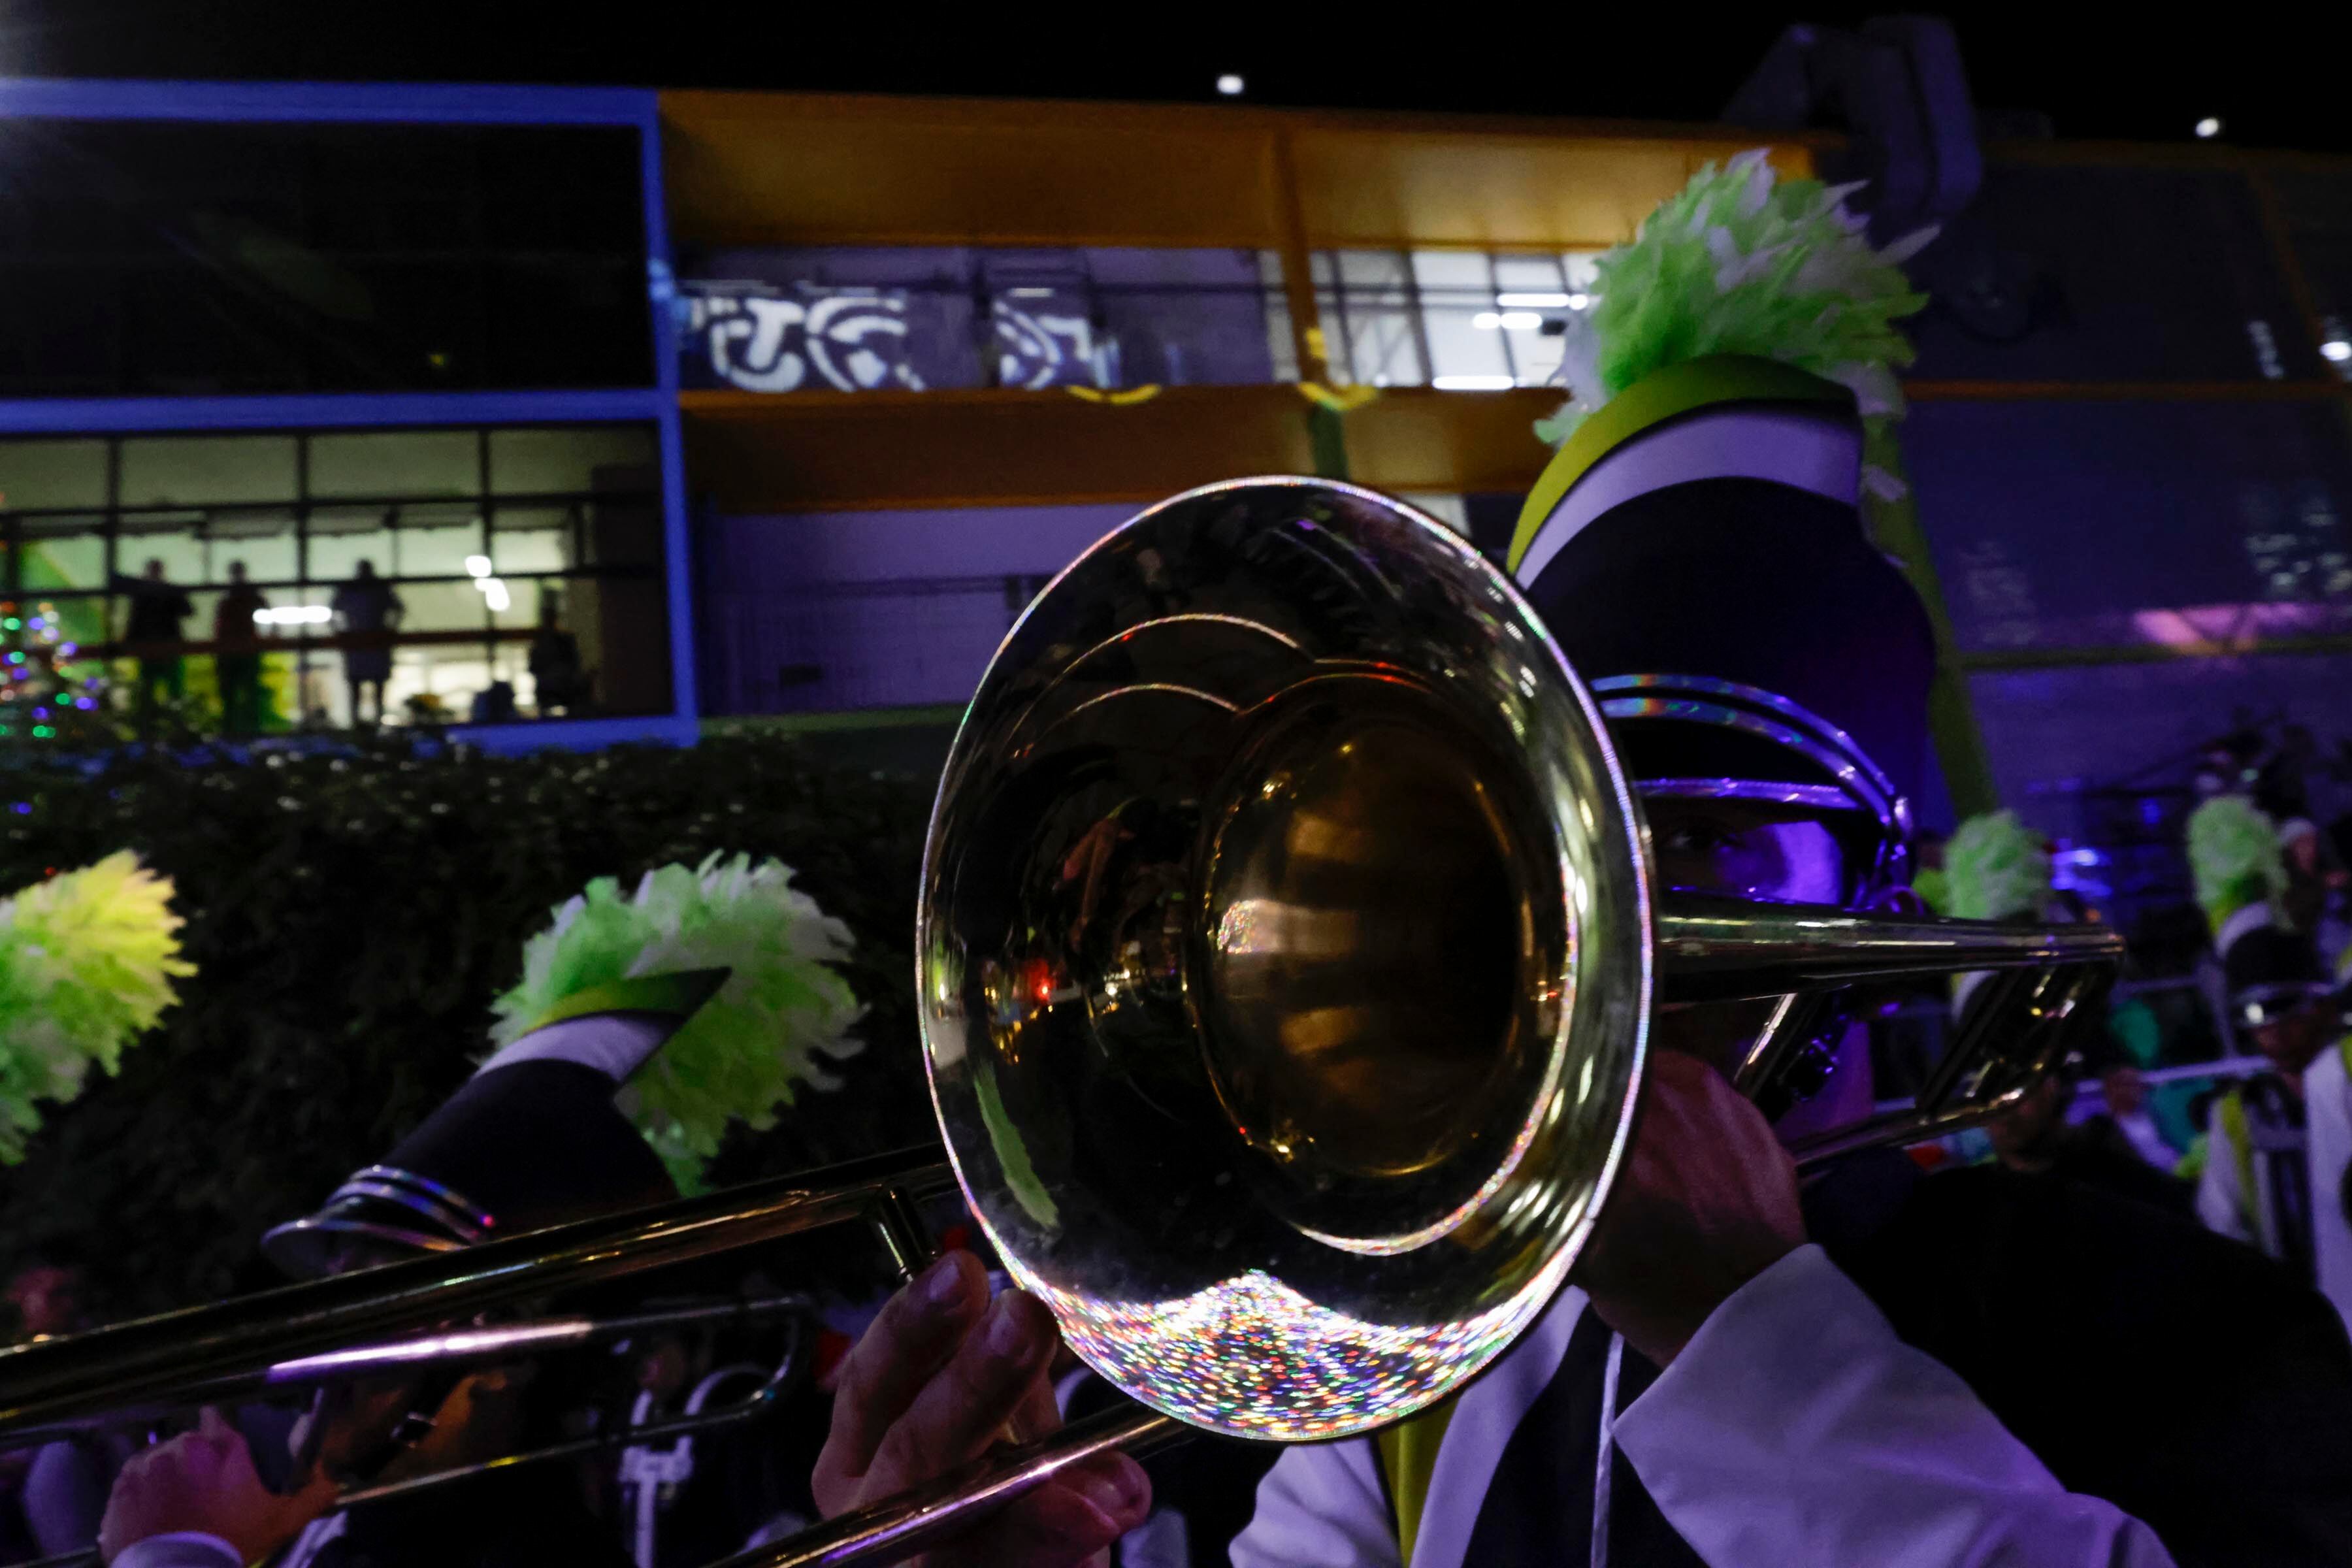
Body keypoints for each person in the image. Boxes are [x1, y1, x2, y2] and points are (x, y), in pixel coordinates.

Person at [813, 154, 2352, 1567]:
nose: (1598, 933)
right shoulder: (1423, 1393)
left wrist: (1744, 1327)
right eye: (1556, 851)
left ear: (1875, 889)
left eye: (1701, 840)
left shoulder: (2164, 1312)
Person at [101, 853, 860, 1568]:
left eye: (379, 1292)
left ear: (502, 1356)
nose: (330, 1330)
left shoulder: (530, 1556)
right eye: (334, 1287)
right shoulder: (331, 1527)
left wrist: (171, 1554)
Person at [2194, 919, 2352, 1294]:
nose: (2273, 1030)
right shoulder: (2240, 1115)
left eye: (2285, 1007)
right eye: (2253, 1015)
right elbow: (2223, 1225)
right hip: (2303, 1313)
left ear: (2325, 1007)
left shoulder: (2344, 1081)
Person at [116, 559, 194, 733]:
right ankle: (169, 728)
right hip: (162, 649)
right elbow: (188, 611)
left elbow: (135, 621)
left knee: (155, 690)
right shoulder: (158, 593)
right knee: (161, 691)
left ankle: (150, 728)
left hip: (158, 649)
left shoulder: (148, 594)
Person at [328, 560, 402, 727]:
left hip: (373, 639)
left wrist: (391, 630)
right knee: (358, 684)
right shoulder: (353, 588)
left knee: (374, 685)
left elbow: (398, 609)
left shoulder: (378, 588)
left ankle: (374, 719)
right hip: (359, 640)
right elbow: (333, 611)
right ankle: (358, 720)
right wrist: (340, 632)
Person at [214, 562, 270, 738]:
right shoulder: (243, 595)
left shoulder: (230, 596)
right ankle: (246, 729)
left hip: (235, 649)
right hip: (242, 648)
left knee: (237, 693)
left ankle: (233, 729)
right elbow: (264, 605)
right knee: (243, 692)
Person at [528, 591, 589, 717]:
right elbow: (533, 667)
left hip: (564, 691)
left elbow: (574, 664)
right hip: (550, 693)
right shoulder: (540, 643)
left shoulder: (563, 641)